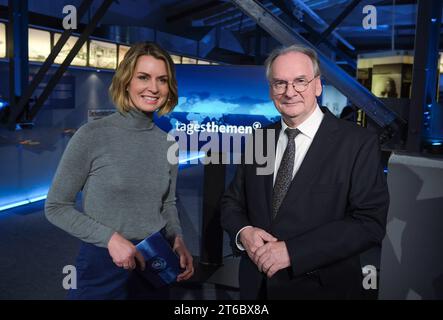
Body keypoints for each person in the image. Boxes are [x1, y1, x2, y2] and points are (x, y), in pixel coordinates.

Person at [221, 45, 389, 299]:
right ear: (271, 90)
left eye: (300, 81)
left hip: (320, 289)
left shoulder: (356, 143)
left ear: (318, 85)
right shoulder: (261, 139)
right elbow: (232, 202)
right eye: (280, 83)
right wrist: (244, 233)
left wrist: (293, 252)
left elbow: (369, 222)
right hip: (256, 288)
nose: (290, 92)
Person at [45, 42, 194, 300]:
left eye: (162, 80)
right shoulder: (91, 135)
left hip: (154, 259)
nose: (154, 88)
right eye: (143, 77)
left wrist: (177, 239)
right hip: (103, 261)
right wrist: (111, 239)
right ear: (126, 82)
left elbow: (167, 203)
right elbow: (56, 206)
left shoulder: (168, 142)